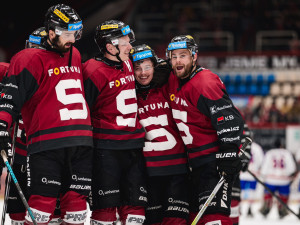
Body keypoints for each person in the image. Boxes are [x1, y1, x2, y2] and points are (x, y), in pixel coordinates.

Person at [0, 4, 93, 225]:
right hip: (48, 143)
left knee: (78, 209)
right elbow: (10, 96)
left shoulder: (75, 54)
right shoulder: (29, 59)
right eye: (68, 34)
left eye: (75, 33)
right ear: (51, 33)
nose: (73, 39)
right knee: (41, 207)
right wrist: (2, 125)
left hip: (81, 142)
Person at [166, 35, 244, 225]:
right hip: (190, 164)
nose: (177, 61)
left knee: (213, 220)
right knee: (193, 218)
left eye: (183, 55)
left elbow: (229, 119)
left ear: (194, 56)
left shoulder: (205, 82)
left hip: (212, 163)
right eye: (173, 56)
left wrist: (229, 153)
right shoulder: (171, 78)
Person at [83, 20, 147, 225]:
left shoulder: (128, 62)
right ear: (110, 47)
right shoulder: (92, 70)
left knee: (136, 212)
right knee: (105, 211)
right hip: (105, 150)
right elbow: (83, 111)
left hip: (134, 148)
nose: (130, 46)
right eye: (125, 42)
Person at [130, 44, 189, 224]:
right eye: (137, 68)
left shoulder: (168, 85)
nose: (143, 73)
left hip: (178, 169)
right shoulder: (128, 94)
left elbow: (182, 69)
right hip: (148, 173)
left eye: (147, 67)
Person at [259, 139, 297, 218]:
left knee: (268, 195)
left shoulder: (269, 153)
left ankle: (266, 209)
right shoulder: (286, 153)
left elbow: (264, 168)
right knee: (284, 196)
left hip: (270, 180)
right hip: (284, 180)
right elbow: (292, 168)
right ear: (281, 145)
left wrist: (264, 176)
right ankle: (282, 211)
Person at [240, 140, 264, 217]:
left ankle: (239, 208)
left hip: (242, 173)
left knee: (240, 191)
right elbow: (261, 161)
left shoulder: (242, 145)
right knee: (252, 192)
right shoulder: (257, 147)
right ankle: (249, 209)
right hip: (253, 173)